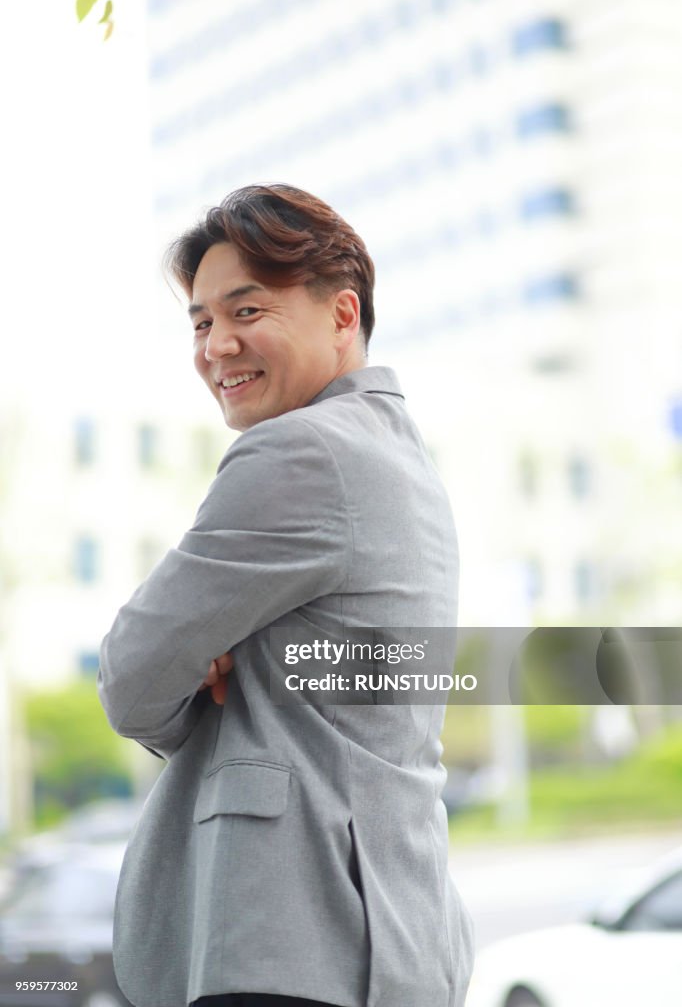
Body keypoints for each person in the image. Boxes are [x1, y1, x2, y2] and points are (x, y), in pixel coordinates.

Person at [97, 183, 474, 1007]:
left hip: (288, 934)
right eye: (199, 322)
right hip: (392, 935)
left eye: (247, 310)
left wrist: (200, 679)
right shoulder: (401, 459)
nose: (217, 345)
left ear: (343, 315)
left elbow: (130, 675)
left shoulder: (300, 452)